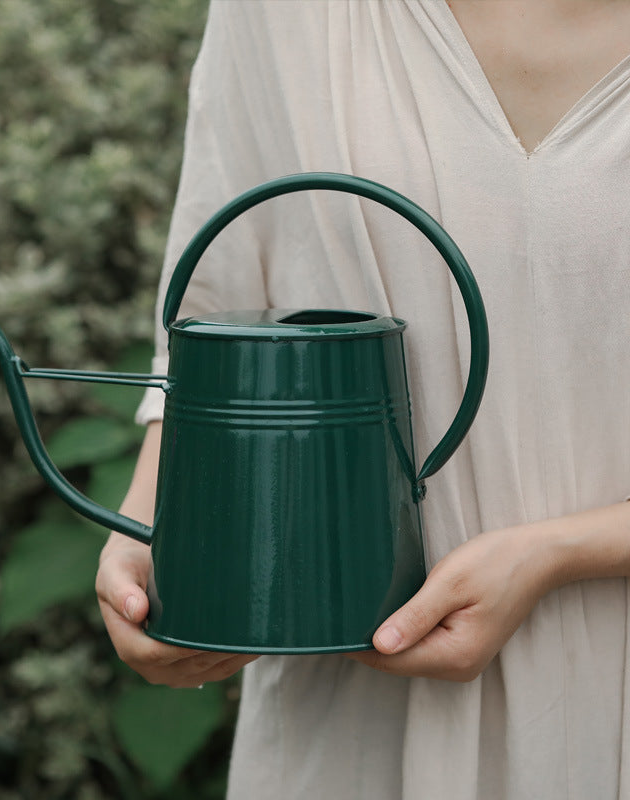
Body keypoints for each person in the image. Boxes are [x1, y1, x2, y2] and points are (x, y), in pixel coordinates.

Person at [96, 2, 630, 797]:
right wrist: (148, 536)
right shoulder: (286, 17)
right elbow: (210, 331)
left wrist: (561, 553)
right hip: (353, 699)